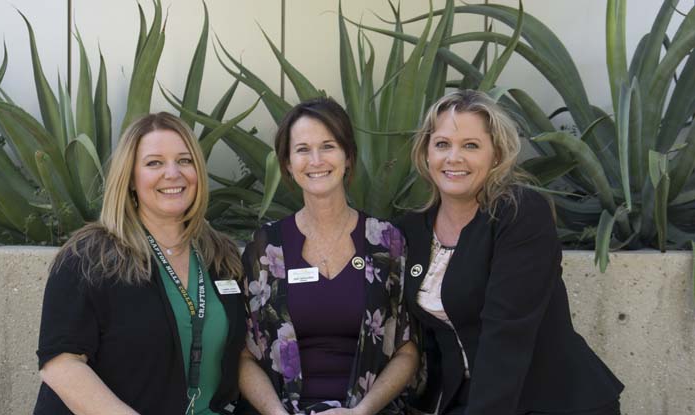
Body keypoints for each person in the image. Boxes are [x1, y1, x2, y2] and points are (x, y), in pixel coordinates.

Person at [400, 90, 624, 415]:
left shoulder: (519, 214)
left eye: (471, 145)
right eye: (442, 144)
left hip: (550, 403)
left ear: (497, 154)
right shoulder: (413, 229)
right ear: (425, 153)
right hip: (466, 401)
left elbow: (506, 335)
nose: (454, 157)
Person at [34, 112, 245, 414]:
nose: (172, 173)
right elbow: (61, 364)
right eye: (154, 163)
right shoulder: (88, 257)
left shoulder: (220, 255)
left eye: (184, 161)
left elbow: (241, 355)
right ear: (130, 178)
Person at [237, 97, 420, 414]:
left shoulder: (386, 241)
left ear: (348, 156)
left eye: (328, 146)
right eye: (303, 150)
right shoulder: (265, 246)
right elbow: (244, 354)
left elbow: (406, 349)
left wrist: (361, 412)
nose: (316, 160)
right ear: (288, 164)